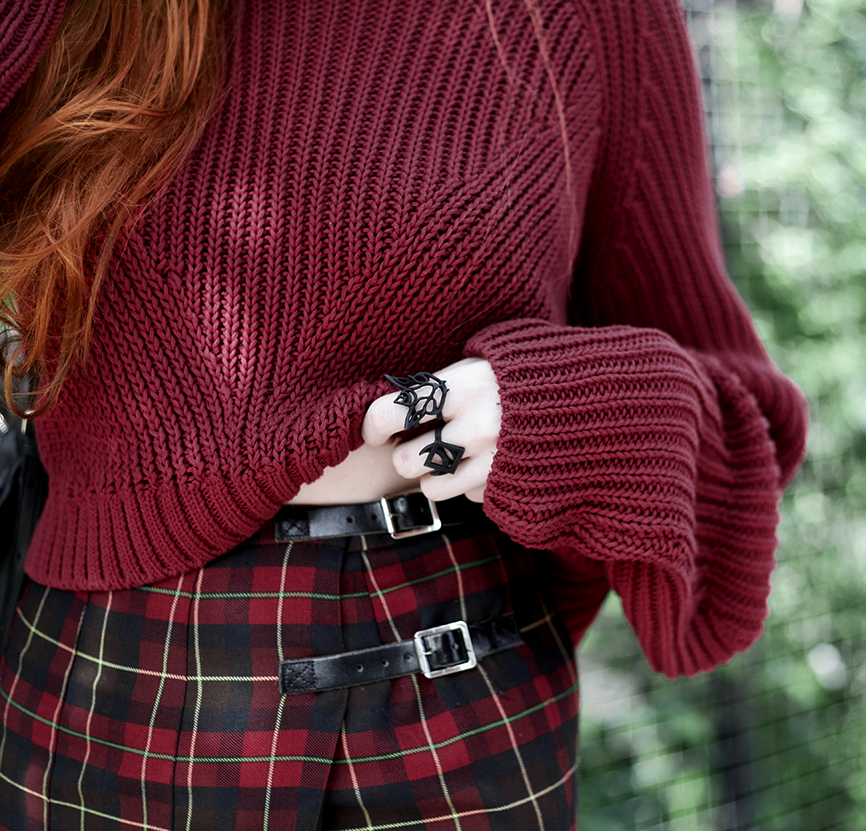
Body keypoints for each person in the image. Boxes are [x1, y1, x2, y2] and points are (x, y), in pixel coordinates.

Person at [0, 0, 808, 828]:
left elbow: (740, 414)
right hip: (115, 687)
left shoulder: (595, 19)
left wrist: (574, 406)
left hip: (464, 692)